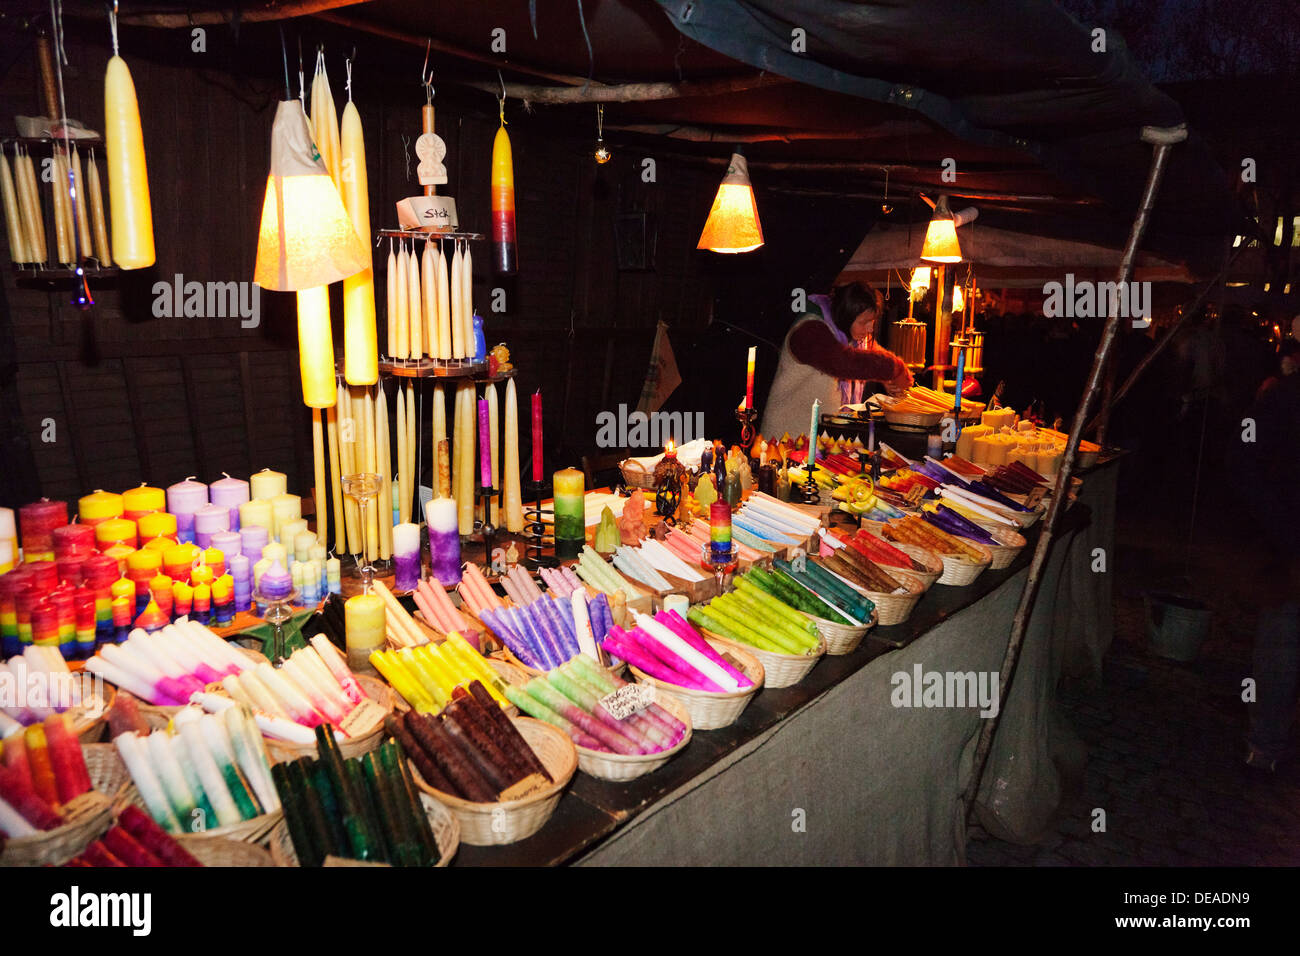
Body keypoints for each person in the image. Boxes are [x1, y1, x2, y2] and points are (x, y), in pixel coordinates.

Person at [1240, 367, 1300, 771]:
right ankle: (1266, 744)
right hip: (1291, 548)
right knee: (1283, 642)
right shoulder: (1283, 399)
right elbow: (1243, 461)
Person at [760, 280, 912, 440]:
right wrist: (894, 368)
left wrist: (888, 375)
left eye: (872, 321)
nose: (870, 329)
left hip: (812, 438)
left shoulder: (842, 331)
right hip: (784, 438)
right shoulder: (809, 330)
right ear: (846, 315)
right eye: (864, 322)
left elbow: (871, 351)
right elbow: (845, 362)